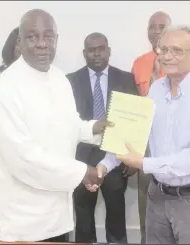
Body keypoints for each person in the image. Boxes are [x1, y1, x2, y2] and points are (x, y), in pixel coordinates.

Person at [0, 9, 112, 242]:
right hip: (19, 218)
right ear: (20, 42)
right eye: (32, 37)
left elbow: (67, 125)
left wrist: (94, 129)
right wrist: (83, 172)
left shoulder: (59, 79)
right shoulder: (6, 87)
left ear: (56, 40)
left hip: (56, 213)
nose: (42, 44)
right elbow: (23, 158)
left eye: (48, 36)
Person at [116, 25, 190, 244]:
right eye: (163, 49)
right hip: (156, 195)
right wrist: (107, 162)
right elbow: (139, 133)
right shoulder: (156, 89)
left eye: (176, 50)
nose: (167, 56)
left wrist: (145, 164)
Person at [67, 32, 138, 243]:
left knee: (116, 212)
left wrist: (133, 157)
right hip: (81, 159)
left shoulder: (126, 78)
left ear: (109, 51)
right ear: (84, 53)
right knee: (83, 214)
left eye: (101, 48)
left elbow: (134, 120)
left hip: (116, 158)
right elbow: (67, 122)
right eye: (91, 49)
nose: (96, 54)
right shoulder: (70, 81)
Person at [130, 11, 172, 243]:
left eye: (161, 26)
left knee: (173, 203)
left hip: (174, 144)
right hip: (146, 144)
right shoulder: (139, 63)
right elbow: (133, 104)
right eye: (152, 27)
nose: (156, 31)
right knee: (147, 202)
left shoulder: (182, 61)